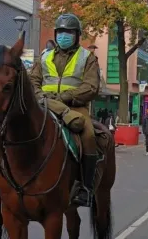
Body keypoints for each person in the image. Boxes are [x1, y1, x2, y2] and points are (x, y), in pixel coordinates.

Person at [30, 13, 100, 207]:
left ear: (77, 35)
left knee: (89, 136)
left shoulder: (88, 58)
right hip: (43, 105)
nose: (64, 35)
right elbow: (33, 80)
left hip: (76, 107)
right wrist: (38, 96)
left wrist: (64, 97)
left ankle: (85, 187)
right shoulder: (44, 57)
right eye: (60, 32)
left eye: (68, 32)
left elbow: (91, 87)